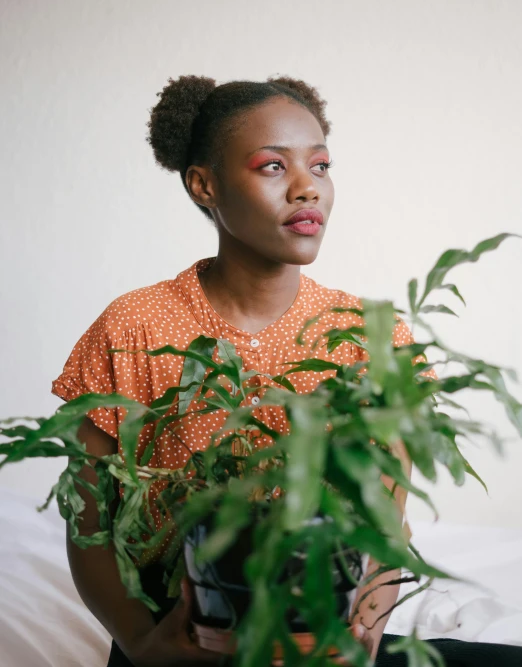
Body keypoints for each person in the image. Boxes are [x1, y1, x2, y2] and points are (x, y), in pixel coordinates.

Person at [51, 76, 520, 667]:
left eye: (320, 166)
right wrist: (143, 645)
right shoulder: (134, 326)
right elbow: (87, 526)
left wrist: (364, 632)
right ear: (205, 184)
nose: (308, 189)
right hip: (183, 648)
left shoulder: (374, 337)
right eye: (273, 167)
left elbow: (386, 527)